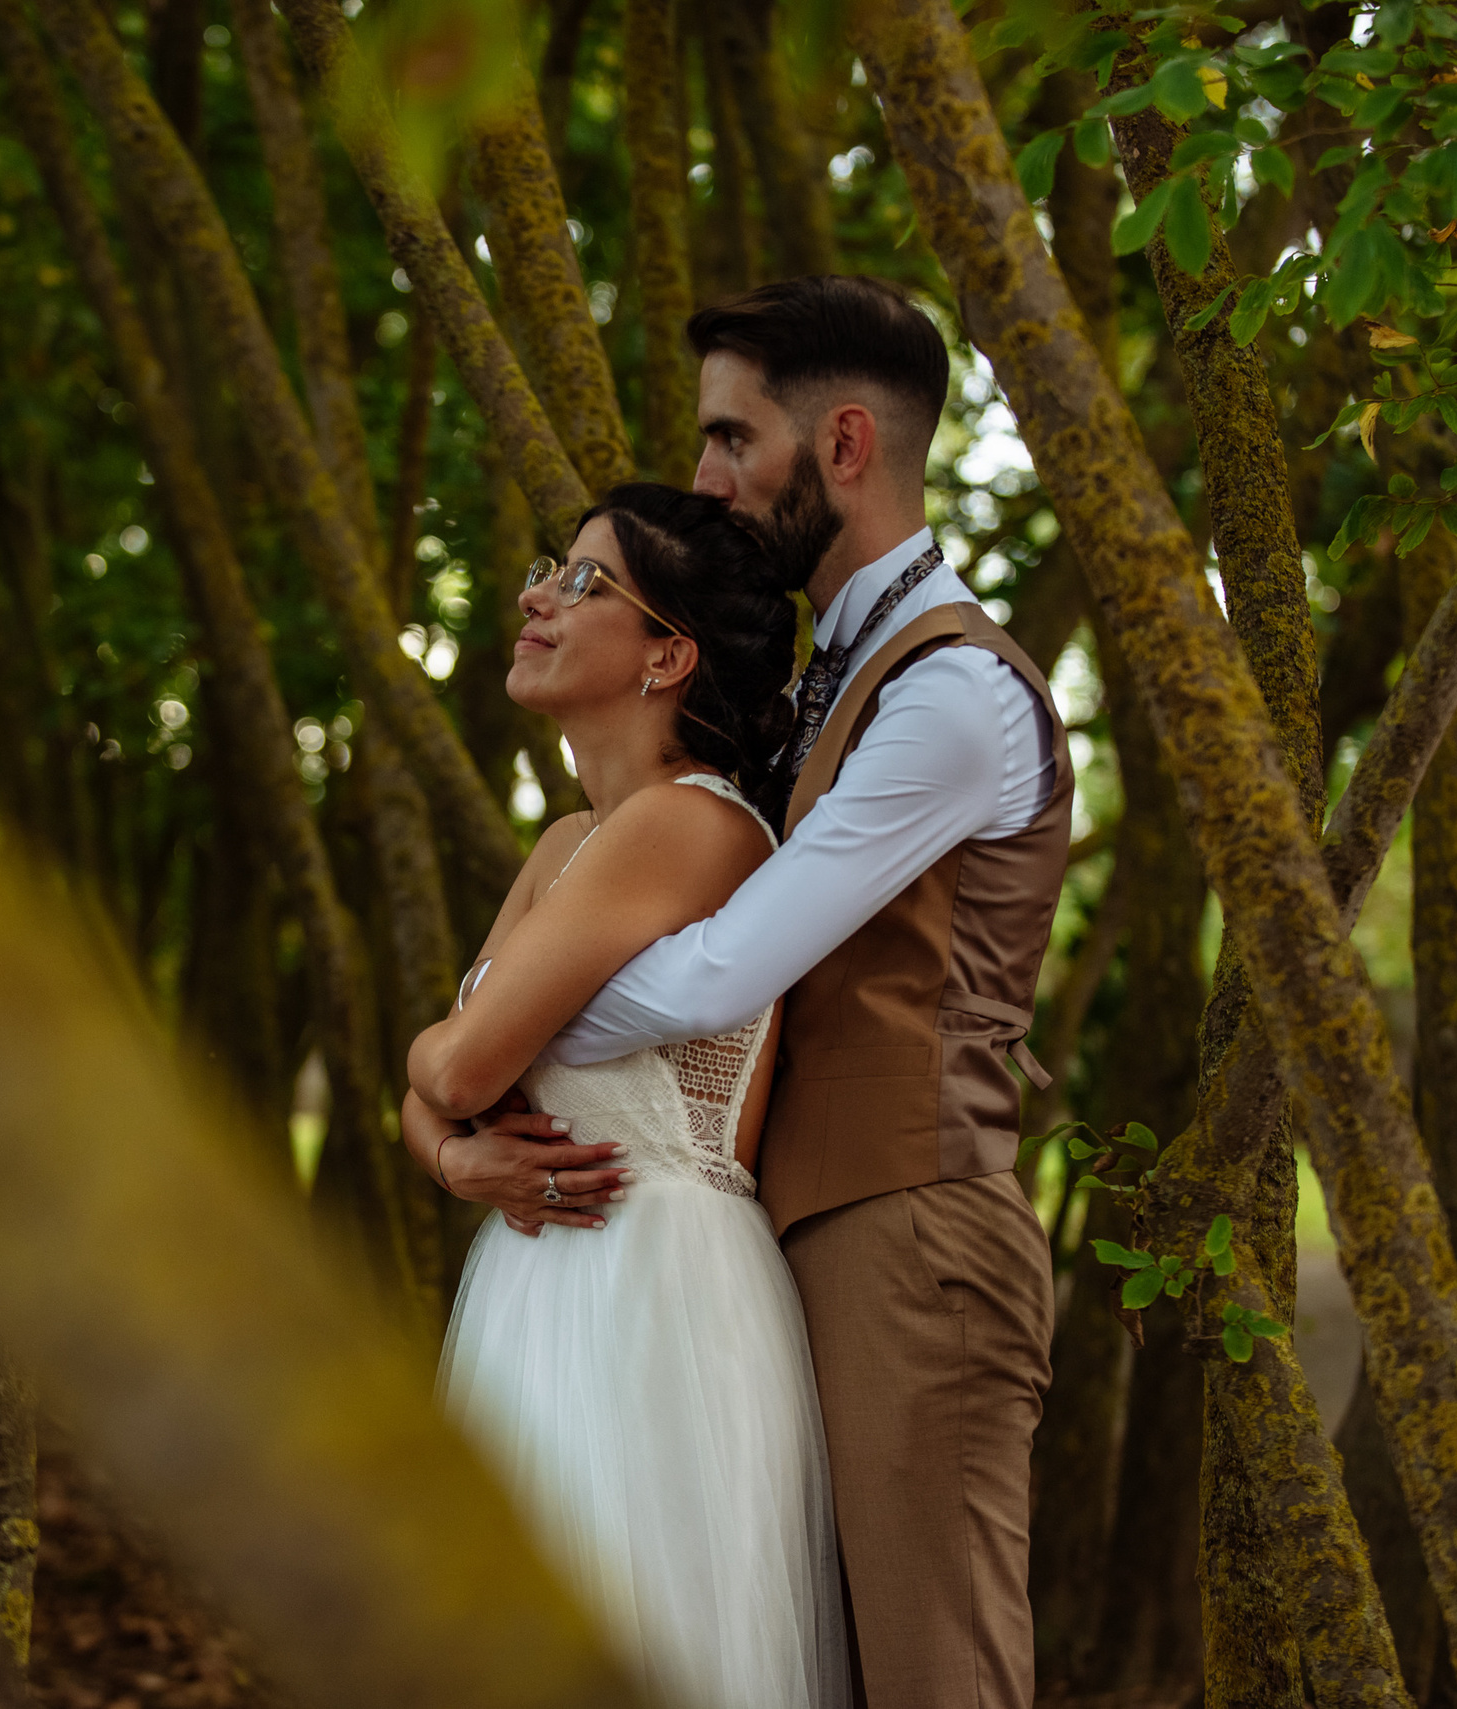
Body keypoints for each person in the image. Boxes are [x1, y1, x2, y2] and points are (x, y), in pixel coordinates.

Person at [528, 276, 1071, 1709]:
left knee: (934, 1678)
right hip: (781, 1242)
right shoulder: (831, 678)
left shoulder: (953, 694)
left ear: (840, 447)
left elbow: (723, 970)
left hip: (914, 1240)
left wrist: (493, 1042)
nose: (705, 479)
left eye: (729, 442)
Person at [400, 482, 848, 1709]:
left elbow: (460, 1066)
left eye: (584, 581)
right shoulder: (564, 844)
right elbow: (439, 1097)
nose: (536, 595)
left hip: (650, 1287)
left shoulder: (691, 827)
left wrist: (441, 1087)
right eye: (549, 568)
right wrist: (454, 1161)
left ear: (669, 652)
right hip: (547, 1273)